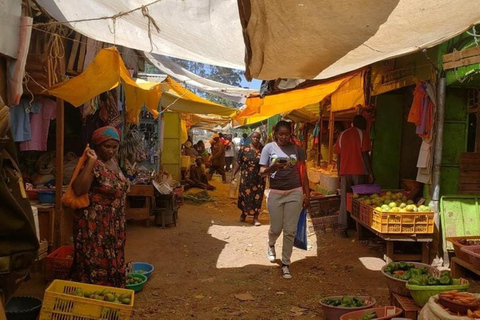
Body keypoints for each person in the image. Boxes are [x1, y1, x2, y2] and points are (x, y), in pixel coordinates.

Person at [71, 126, 130, 287]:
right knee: (96, 260)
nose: (111, 151)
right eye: (107, 146)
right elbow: (79, 189)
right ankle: (95, 297)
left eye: (114, 147)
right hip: (96, 226)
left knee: (113, 257)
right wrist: (90, 161)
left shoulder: (114, 162)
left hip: (114, 223)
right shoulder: (93, 164)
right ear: (97, 146)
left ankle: (113, 292)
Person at [260, 120, 309, 279]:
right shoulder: (268, 148)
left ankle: (286, 264)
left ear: (290, 134)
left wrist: (306, 194)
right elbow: (262, 172)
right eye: (280, 134)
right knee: (276, 228)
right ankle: (271, 244)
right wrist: (274, 167)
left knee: (290, 230)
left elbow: (304, 173)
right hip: (275, 192)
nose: (283, 137)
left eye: (286, 134)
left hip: (294, 191)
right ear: (275, 134)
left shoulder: (297, 149)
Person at [334, 115, 373, 237]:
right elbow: (365, 155)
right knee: (359, 200)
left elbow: (338, 156)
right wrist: (370, 172)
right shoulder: (363, 134)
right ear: (362, 124)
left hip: (345, 171)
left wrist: (339, 172)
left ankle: (343, 227)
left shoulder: (342, 134)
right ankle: (360, 229)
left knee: (345, 200)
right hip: (359, 171)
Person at [232, 132, 266, 226]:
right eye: (254, 137)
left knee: (257, 197)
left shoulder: (263, 149)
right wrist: (234, 173)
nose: (256, 139)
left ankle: (255, 218)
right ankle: (243, 214)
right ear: (251, 138)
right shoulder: (244, 149)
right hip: (246, 178)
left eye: (258, 137)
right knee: (245, 196)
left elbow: (267, 163)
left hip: (259, 178)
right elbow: (239, 162)